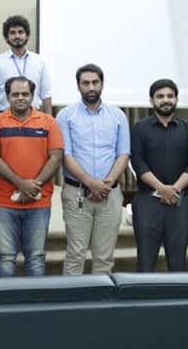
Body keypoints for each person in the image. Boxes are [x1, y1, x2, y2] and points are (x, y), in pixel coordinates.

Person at [0, 76, 63, 277]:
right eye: (15, 94)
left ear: (33, 96)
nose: (20, 98)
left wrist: (33, 187)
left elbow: (56, 157)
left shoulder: (49, 122)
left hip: (39, 201)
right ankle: (4, 298)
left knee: (36, 257)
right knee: (5, 256)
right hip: (4, 202)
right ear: (7, 96)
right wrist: (21, 184)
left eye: (25, 94)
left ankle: (33, 299)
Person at [56, 64, 130, 275]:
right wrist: (91, 183)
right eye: (85, 83)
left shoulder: (118, 116)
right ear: (78, 86)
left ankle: (101, 297)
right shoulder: (65, 116)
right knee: (75, 254)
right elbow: (66, 155)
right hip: (77, 192)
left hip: (110, 194)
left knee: (104, 258)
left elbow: (123, 154)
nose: (91, 87)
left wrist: (106, 184)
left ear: (102, 84)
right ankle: (74, 296)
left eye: (95, 82)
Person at [131, 78, 188, 272]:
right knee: (145, 262)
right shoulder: (140, 128)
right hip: (147, 200)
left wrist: (174, 189)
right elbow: (138, 163)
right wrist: (162, 189)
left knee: (178, 262)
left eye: (170, 96)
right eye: (160, 96)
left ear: (176, 99)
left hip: (180, 200)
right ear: (152, 101)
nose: (165, 100)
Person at [0, 15, 52, 114]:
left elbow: (46, 93)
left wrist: (49, 119)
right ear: (6, 38)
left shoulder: (39, 61)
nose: (17, 36)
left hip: (34, 117)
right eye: (12, 33)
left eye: (20, 32)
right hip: (5, 117)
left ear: (27, 35)